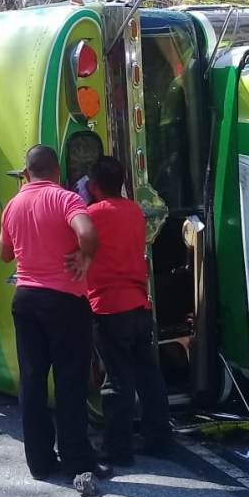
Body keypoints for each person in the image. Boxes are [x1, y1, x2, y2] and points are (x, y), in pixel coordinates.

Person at [0, 144, 110, 481]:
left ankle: (40, 463)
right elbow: (87, 231)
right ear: (57, 171)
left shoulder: (13, 205)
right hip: (64, 302)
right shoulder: (65, 199)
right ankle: (77, 460)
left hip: (26, 300)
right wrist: (85, 257)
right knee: (70, 381)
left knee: (32, 381)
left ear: (26, 171)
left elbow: (4, 254)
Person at [82, 155, 172, 465]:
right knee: (148, 376)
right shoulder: (135, 211)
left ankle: (117, 448)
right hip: (138, 303)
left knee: (116, 381)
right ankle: (159, 439)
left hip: (108, 307)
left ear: (93, 186)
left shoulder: (90, 215)